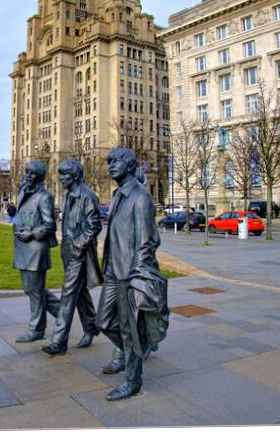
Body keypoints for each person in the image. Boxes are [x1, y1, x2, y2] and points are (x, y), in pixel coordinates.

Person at [96, 148, 169, 401]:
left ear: (128, 165)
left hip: (130, 273)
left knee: (129, 330)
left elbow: (148, 241)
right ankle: (137, 350)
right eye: (110, 162)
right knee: (104, 321)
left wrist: (137, 275)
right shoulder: (117, 195)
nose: (111, 166)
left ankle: (132, 379)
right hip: (114, 271)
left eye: (116, 162)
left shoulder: (140, 197)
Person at [42, 158, 102, 356]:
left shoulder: (87, 196)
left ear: (75, 175)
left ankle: (59, 342)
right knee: (80, 293)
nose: (61, 179)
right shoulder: (68, 196)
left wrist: (78, 245)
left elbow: (94, 226)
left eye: (64, 175)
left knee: (68, 294)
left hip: (80, 252)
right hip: (68, 250)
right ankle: (91, 326)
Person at [13, 160, 60, 342]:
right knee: (32, 290)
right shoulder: (23, 192)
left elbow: (50, 225)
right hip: (23, 248)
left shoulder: (44, 197)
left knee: (35, 291)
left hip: (35, 249)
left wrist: (32, 233)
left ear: (40, 176)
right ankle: (64, 314)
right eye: (27, 172)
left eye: (32, 173)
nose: (28, 176)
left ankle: (36, 329)